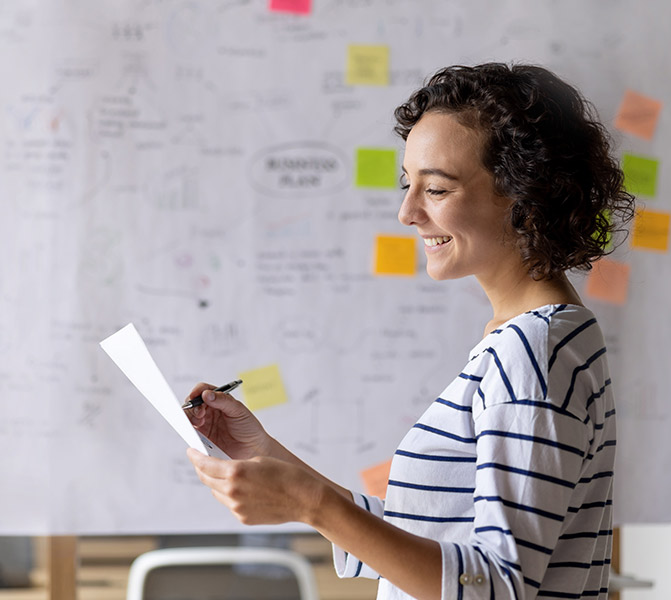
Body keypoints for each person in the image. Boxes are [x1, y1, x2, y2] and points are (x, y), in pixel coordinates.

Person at [185, 63, 634, 600]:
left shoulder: (533, 356)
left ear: (524, 198)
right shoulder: (533, 341)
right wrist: (266, 455)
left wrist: (313, 504)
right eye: (407, 185)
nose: (407, 213)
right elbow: (433, 536)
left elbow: (497, 587)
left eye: (436, 189)